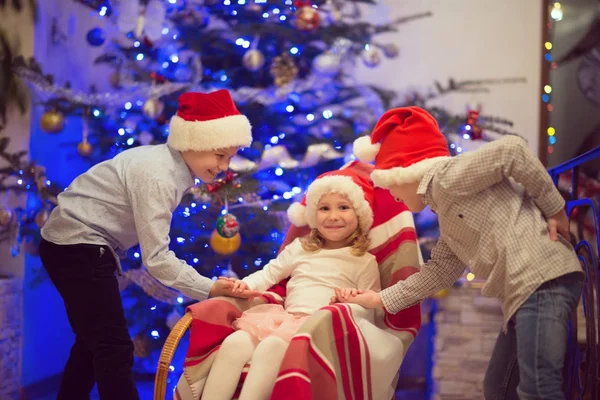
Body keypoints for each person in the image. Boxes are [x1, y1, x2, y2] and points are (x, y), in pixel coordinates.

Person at [338, 106, 584, 400]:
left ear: (404, 172)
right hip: (524, 293)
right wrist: (379, 299)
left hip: (542, 279)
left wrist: (555, 208)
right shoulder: (448, 214)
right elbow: (438, 271)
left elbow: (512, 152)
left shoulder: (446, 177)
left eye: (389, 183)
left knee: (539, 389)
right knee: (498, 387)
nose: (392, 194)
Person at [39, 89, 260, 400]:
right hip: (80, 245)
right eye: (220, 155)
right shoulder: (159, 176)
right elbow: (156, 258)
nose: (224, 166)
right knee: (113, 346)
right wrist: (209, 287)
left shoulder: (166, 164)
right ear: (194, 142)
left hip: (71, 244)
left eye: (229, 157)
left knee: (93, 342)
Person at [201, 168, 381, 400]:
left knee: (271, 347)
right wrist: (242, 285)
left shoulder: (364, 261)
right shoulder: (301, 248)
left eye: (343, 207)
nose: (333, 216)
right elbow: (269, 274)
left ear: (359, 214)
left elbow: (371, 307)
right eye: (324, 208)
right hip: (285, 319)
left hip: (322, 332)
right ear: (313, 215)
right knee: (235, 343)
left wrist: (352, 299)